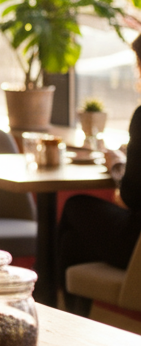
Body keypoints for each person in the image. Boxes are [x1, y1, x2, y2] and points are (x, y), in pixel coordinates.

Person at [56, 34, 141, 316]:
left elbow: (133, 195)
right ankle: (71, 323)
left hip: (135, 246)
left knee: (75, 206)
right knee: (72, 243)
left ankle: (56, 314)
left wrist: (118, 165)